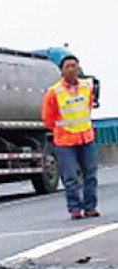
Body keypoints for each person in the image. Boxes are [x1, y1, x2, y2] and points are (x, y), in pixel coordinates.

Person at [41, 54, 98, 219]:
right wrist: (62, 130)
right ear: (62, 71)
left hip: (86, 138)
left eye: (74, 66)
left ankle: (90, 207)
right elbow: (48, 117)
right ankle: (75, 209)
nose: (72, 69)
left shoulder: (87, 87)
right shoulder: (54, 92)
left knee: (90, 175)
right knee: (71, 177)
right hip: (65, 141)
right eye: (68, 67)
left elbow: (88, 107)